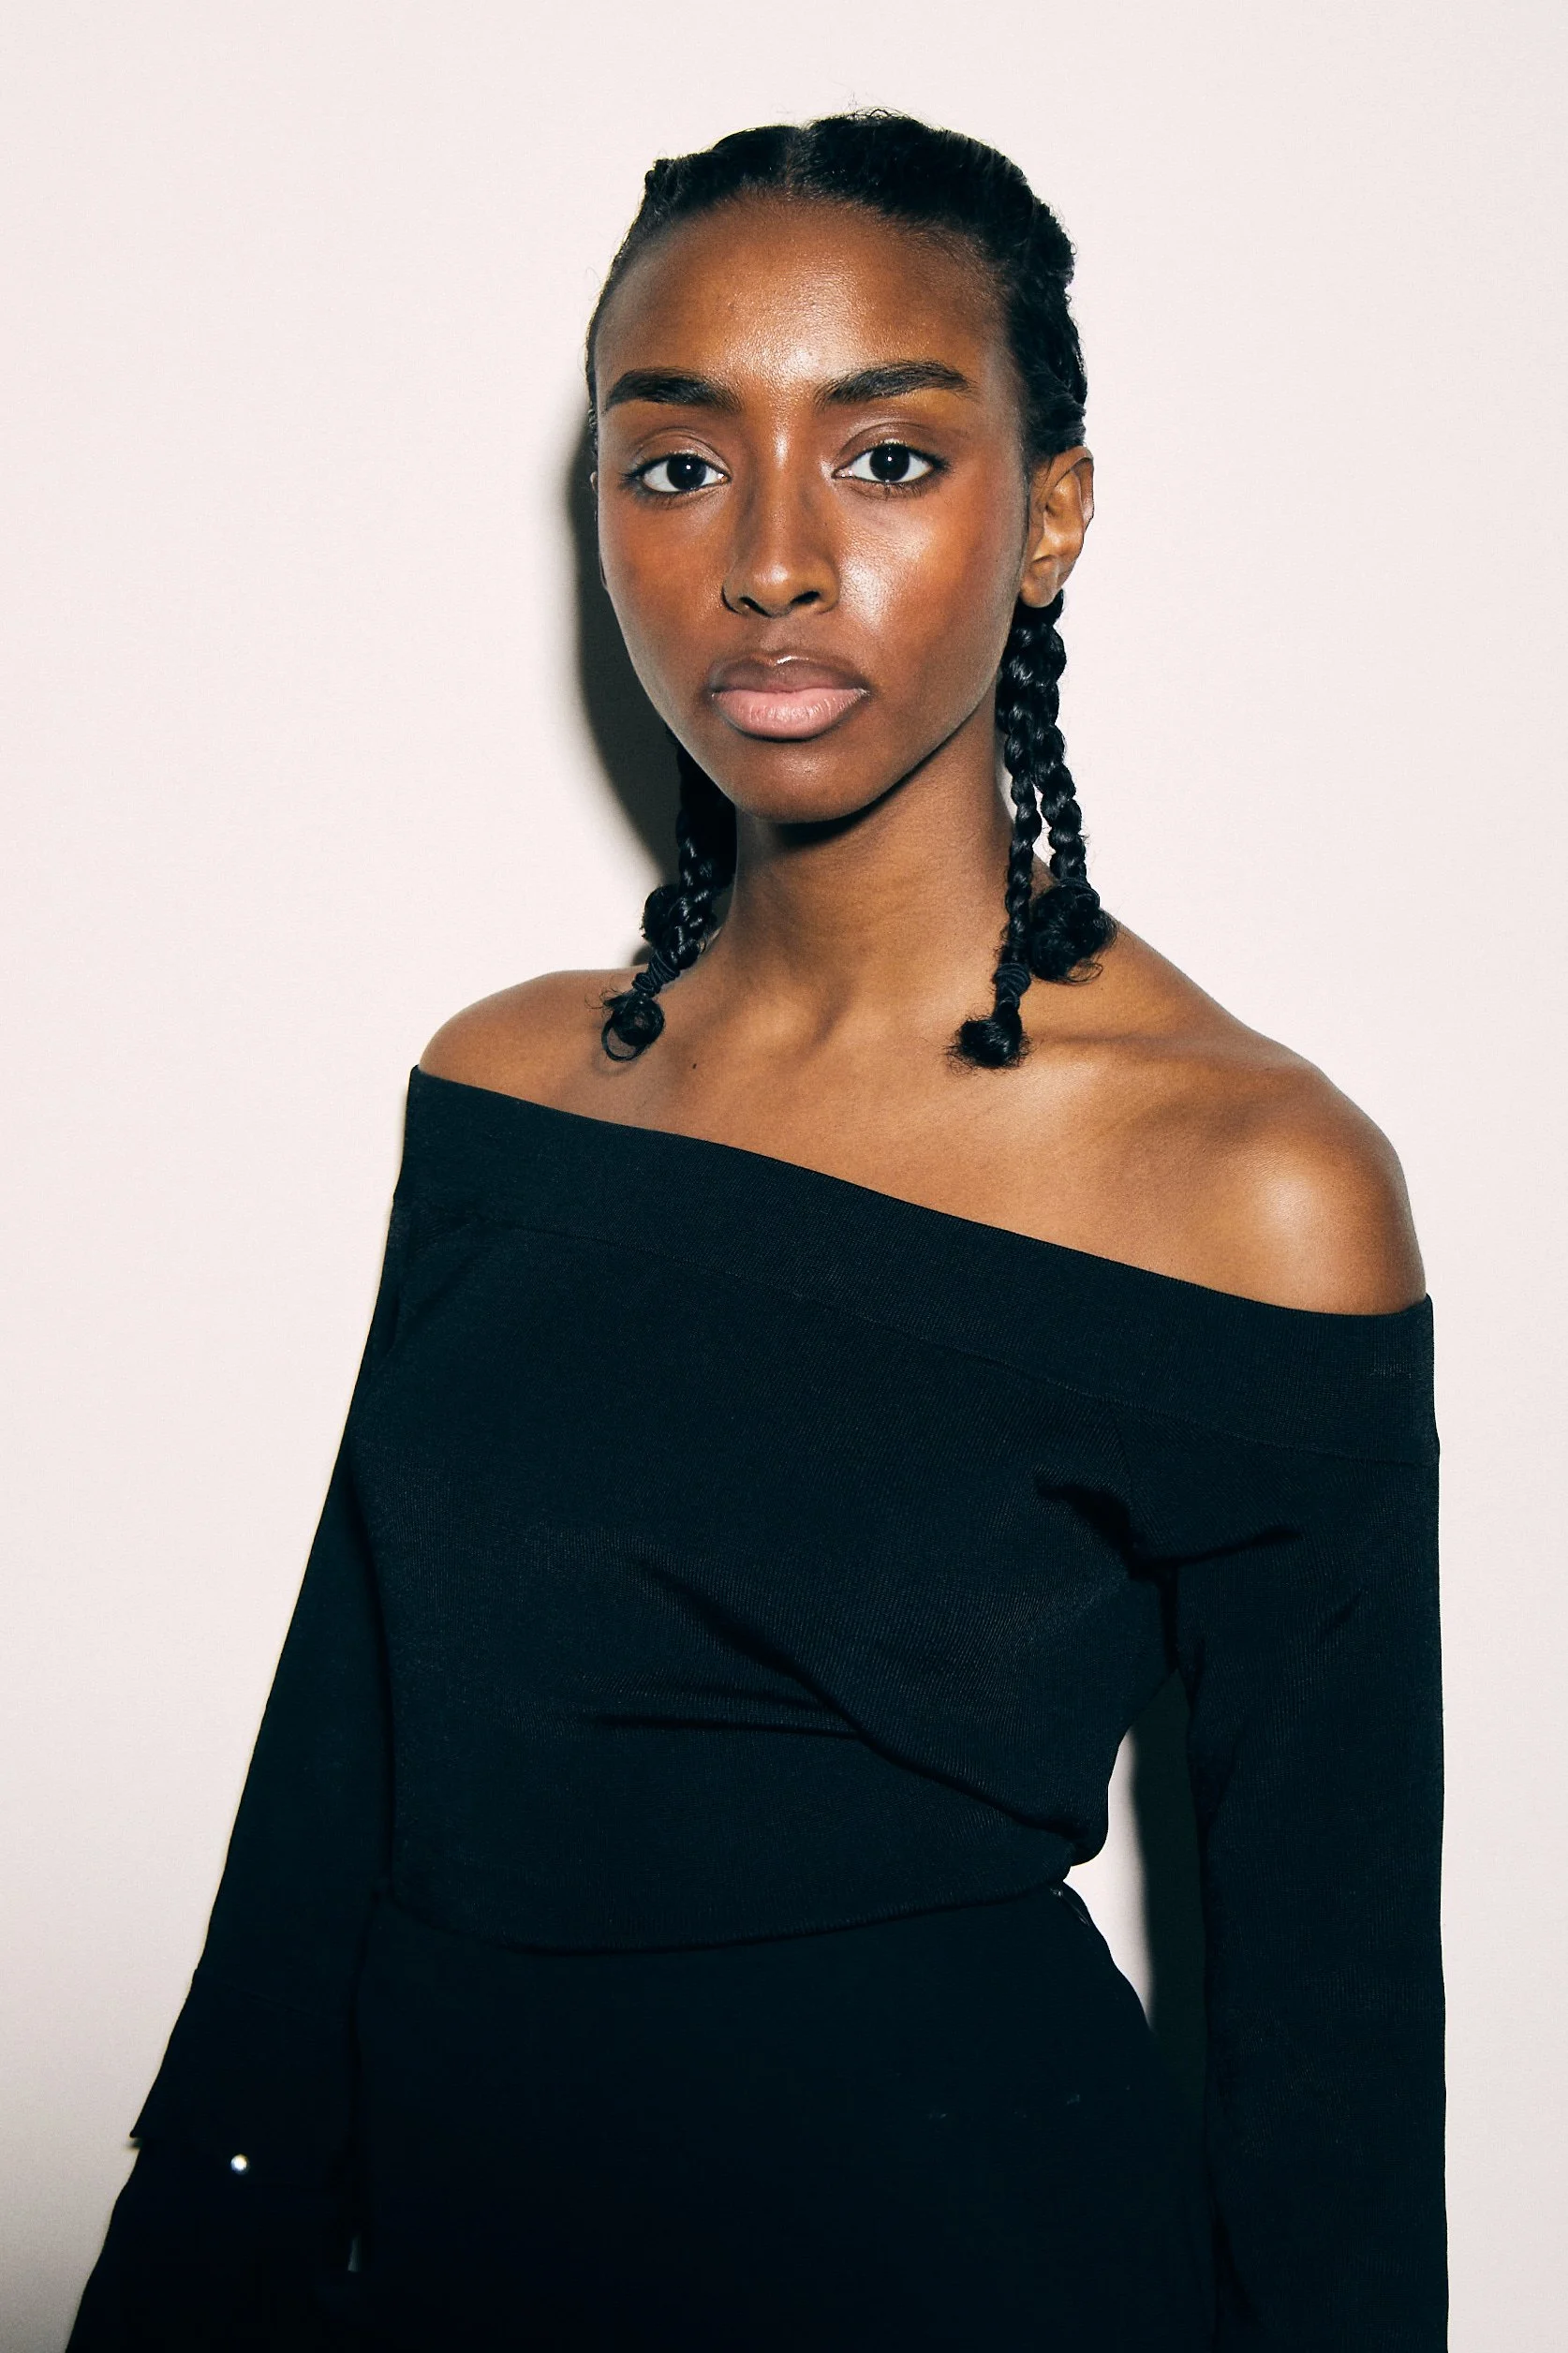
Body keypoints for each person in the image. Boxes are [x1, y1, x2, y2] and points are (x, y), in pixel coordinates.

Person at [69, 113, 1444, 2350]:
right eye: (678, 463)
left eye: (888, 460)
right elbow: (340, 1771)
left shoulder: (1253, 1184)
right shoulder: (511, 1084)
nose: (773, 560)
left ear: (1052, 515)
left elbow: (1334, 2059)